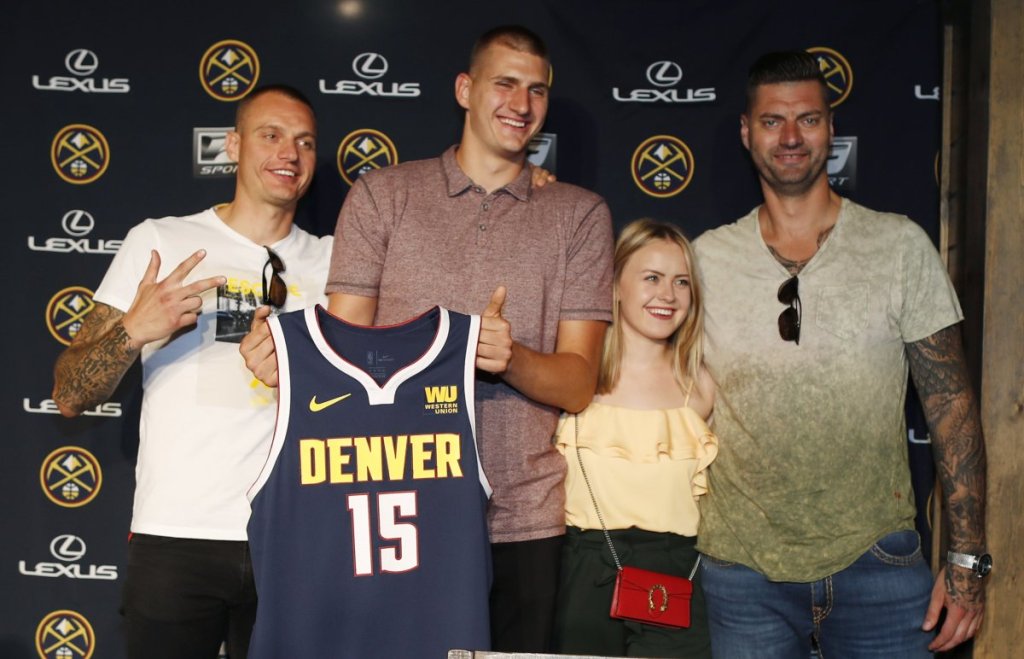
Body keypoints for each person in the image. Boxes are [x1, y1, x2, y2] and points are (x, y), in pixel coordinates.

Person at [241, 25, 614, 652]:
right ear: (465, 90)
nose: (521, 104)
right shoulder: (383, 194)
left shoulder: (579, 214)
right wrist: (291, 368)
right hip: (395, 515)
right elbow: (343, 346)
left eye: (537, 90)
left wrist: (511, 359)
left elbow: (577, 384)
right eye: (504, 83)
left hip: (520, 517)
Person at [693, 51, 988, 657]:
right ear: (747, 132)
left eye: (808, 119)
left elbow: (951, 407)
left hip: (879, 563)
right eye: (772, 121)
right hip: (742, 572)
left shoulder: (899, 246)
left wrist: (966, 560)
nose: (791, 137)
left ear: (831, 128)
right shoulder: (702, 260)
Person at [51, 84, 332, 659]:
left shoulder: (337, 260)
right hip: (177, 536)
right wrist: (134, 328)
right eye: (271, 135)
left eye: (305, 142)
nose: (290, 153)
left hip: (295, 537)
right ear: (233, 145)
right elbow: (69, 393)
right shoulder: (162, 241)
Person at [552, 219, 716, 658]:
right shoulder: (575, 380)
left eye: (681, 282)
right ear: (616, 286)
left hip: (679, 576)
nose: (668, 295)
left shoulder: (701, 387)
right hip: (586, 572)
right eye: (652, 278)